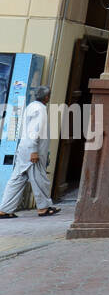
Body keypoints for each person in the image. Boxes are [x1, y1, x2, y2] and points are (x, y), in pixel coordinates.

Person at [0, 85, 59, 218]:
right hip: (32, 150)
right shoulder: (41, 109)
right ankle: (43, 208)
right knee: (39, 179)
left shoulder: (31, 106)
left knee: (17, 179)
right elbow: (35, 130)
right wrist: (34, 150)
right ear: (47, 97)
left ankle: (5, 209)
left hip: (23, 149)